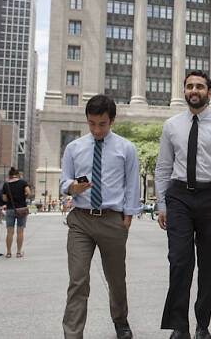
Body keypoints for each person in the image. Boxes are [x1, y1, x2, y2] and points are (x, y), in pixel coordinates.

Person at [155, 70, 211, 339]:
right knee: (179, 261)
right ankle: (179, 326)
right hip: (179, 196)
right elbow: (163, 167)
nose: (195, 90)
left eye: (200, 86)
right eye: (190, 86)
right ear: (184, 90)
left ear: (209, 91)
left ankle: (202, 325)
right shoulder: (171, 125)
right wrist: (161, 203)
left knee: (207, 265)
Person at [60, 94, 140, 339]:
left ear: (112, 120)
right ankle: (73, 334)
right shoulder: (74, 148)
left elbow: (133, 185)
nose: (96, 129)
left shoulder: (126, 148)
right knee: (78, 279)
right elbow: (64, 181)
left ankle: (120, 320)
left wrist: (127, 218)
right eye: (92, 123)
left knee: (116, 278)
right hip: (81, 220)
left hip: (111, 219)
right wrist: (72, 187)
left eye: (102, 124)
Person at [1, 167, 31, 259]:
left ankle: (9, 252)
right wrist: (23, 197)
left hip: (10, 209)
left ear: (10, 175)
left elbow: (4, 198)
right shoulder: (23, 183)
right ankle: (18, 252)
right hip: (21, 209)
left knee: (10, 232)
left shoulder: (6, 185)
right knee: (20, 231)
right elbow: (29, 193)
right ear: (18, 174)